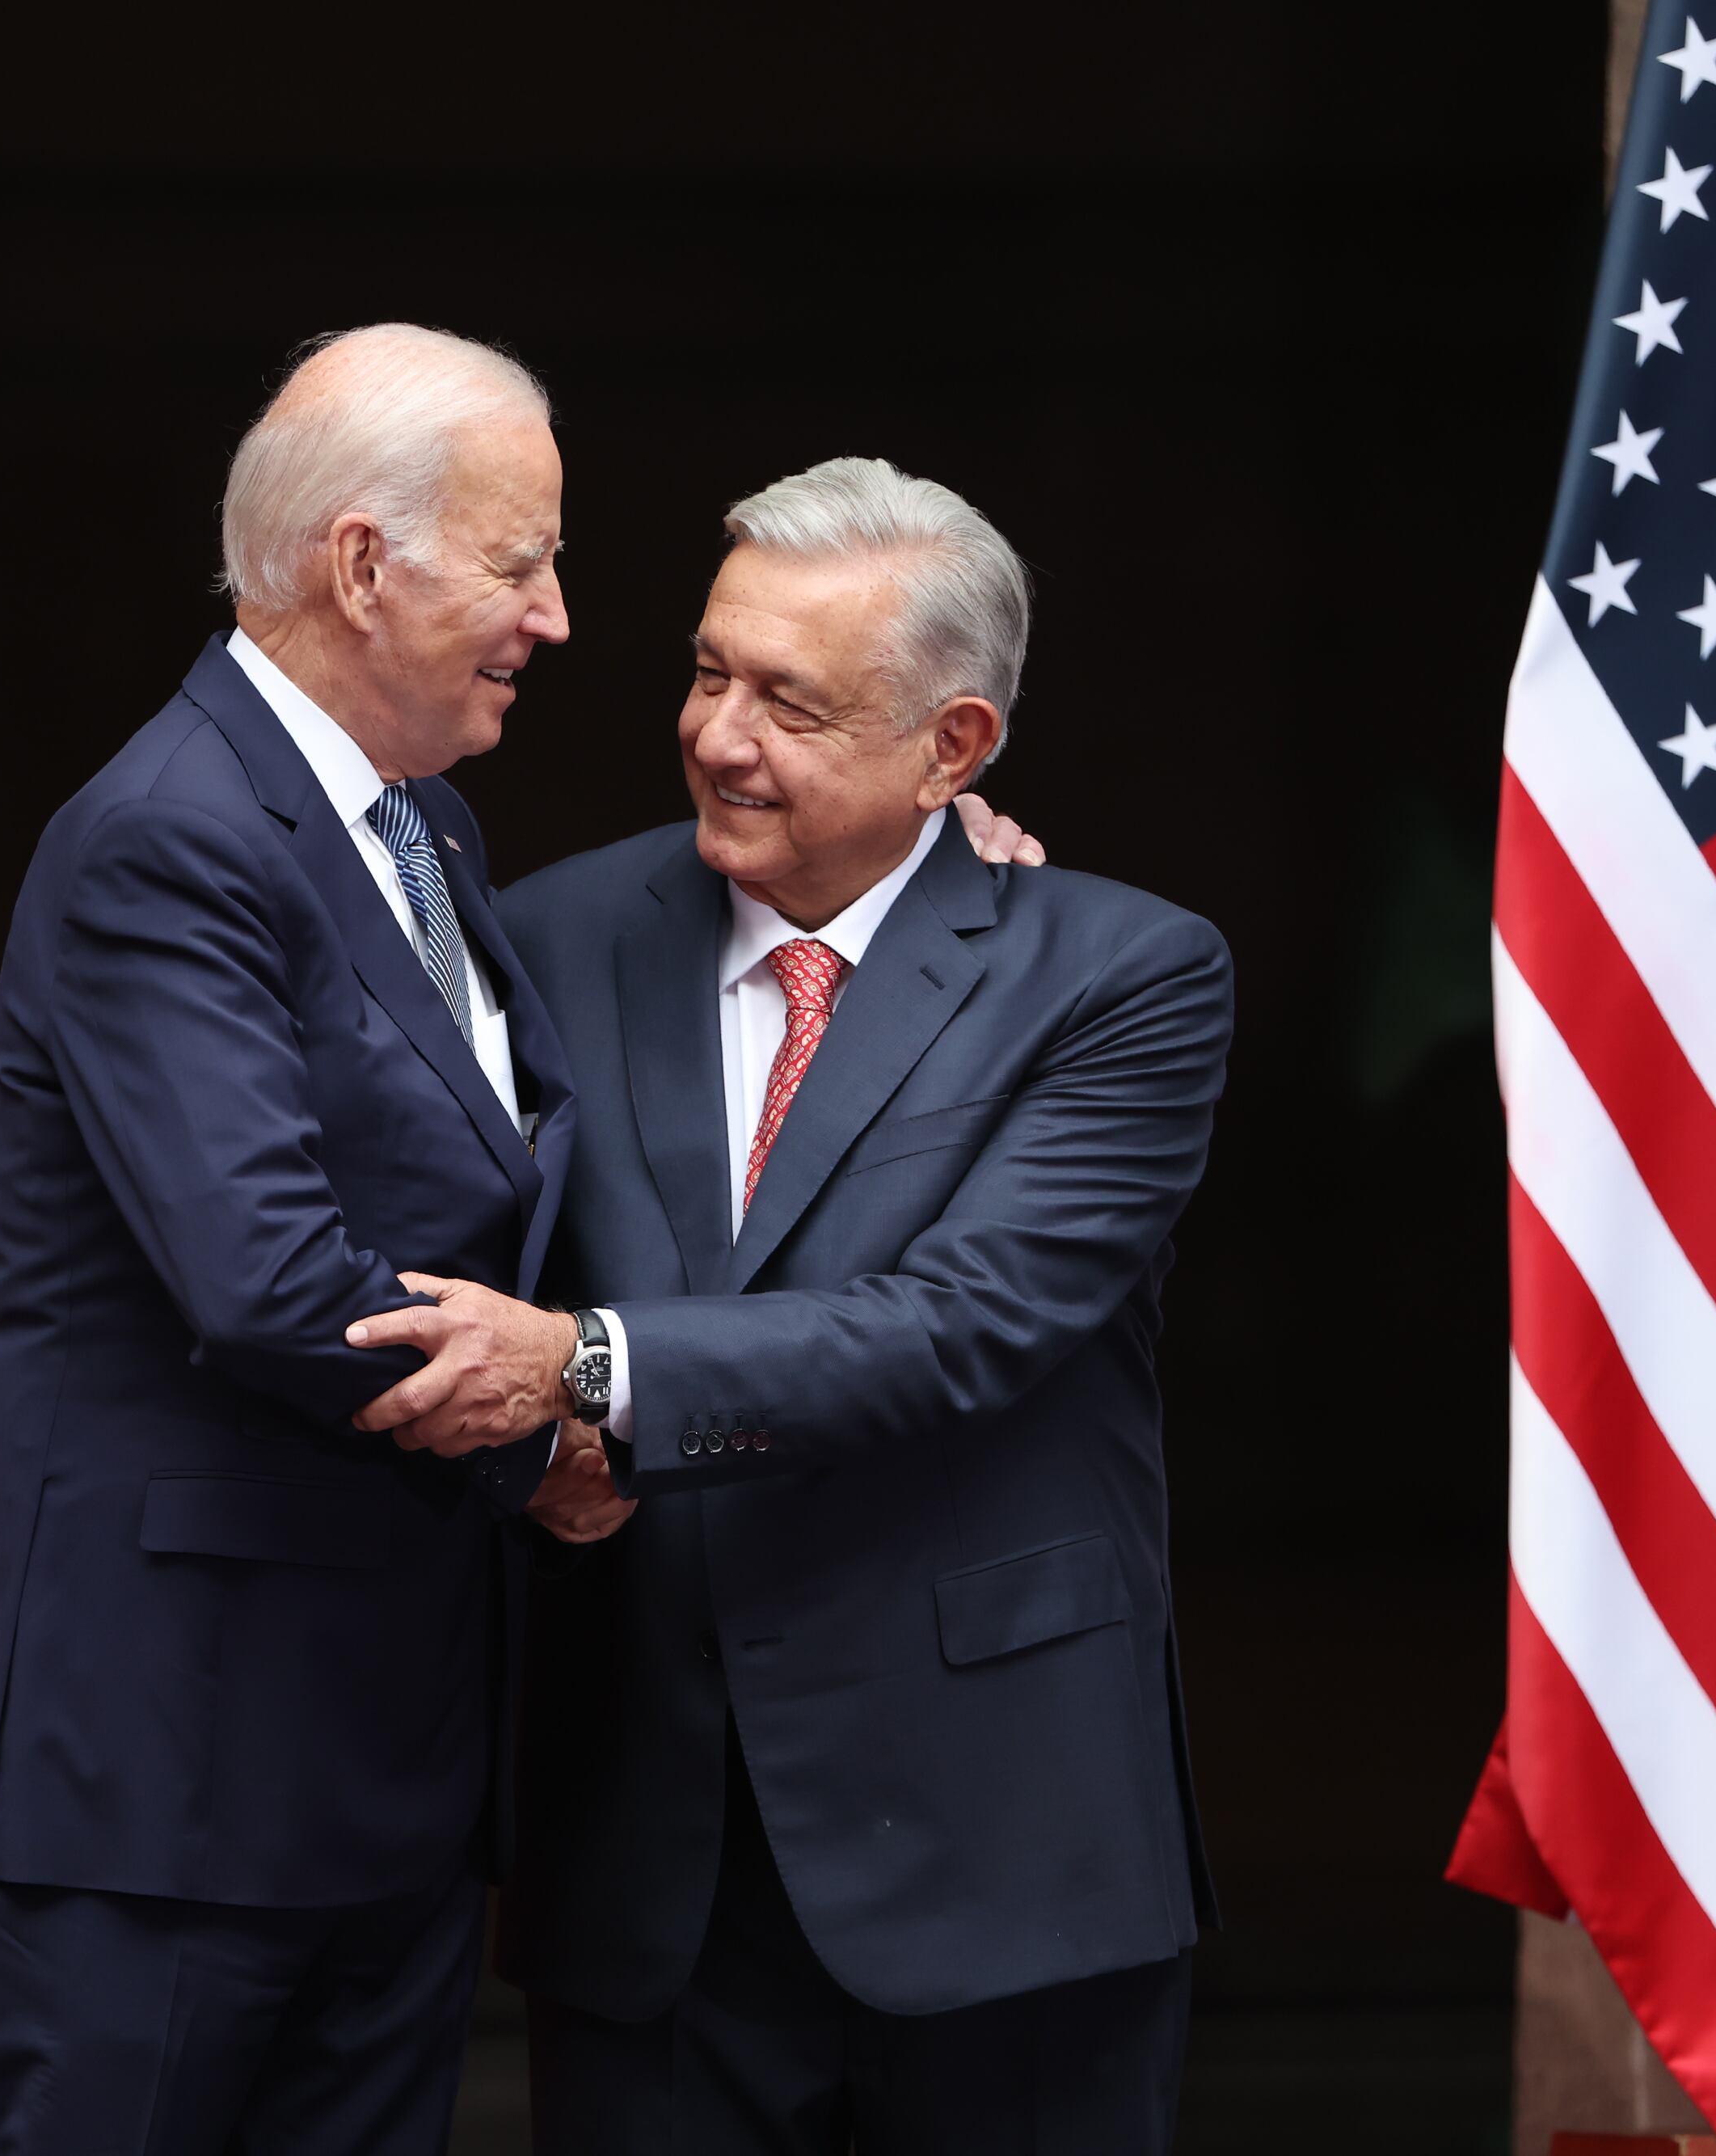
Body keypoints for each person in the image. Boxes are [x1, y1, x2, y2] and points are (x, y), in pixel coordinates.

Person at [0, 329, 1038, 2155]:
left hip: (392, 1780)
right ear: (365, 566)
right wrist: (566, 1441)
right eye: (522, 562)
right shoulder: (163, 839)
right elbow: (272, 1284)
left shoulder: (427, 834)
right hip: (164, 1783)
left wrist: (926, 860)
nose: (556, 616)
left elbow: (555, 1125)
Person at [348, 458, 1231, 2153]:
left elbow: (964, 1320)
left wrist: (584, 1367)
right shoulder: (543, 934)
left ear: (952, 748)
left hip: (1001, 1849)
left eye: (791, 704)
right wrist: (523, 1455)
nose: (716, 735)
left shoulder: (1120, 974)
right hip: (649, 1864)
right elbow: (440, 1269)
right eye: (706, 669)